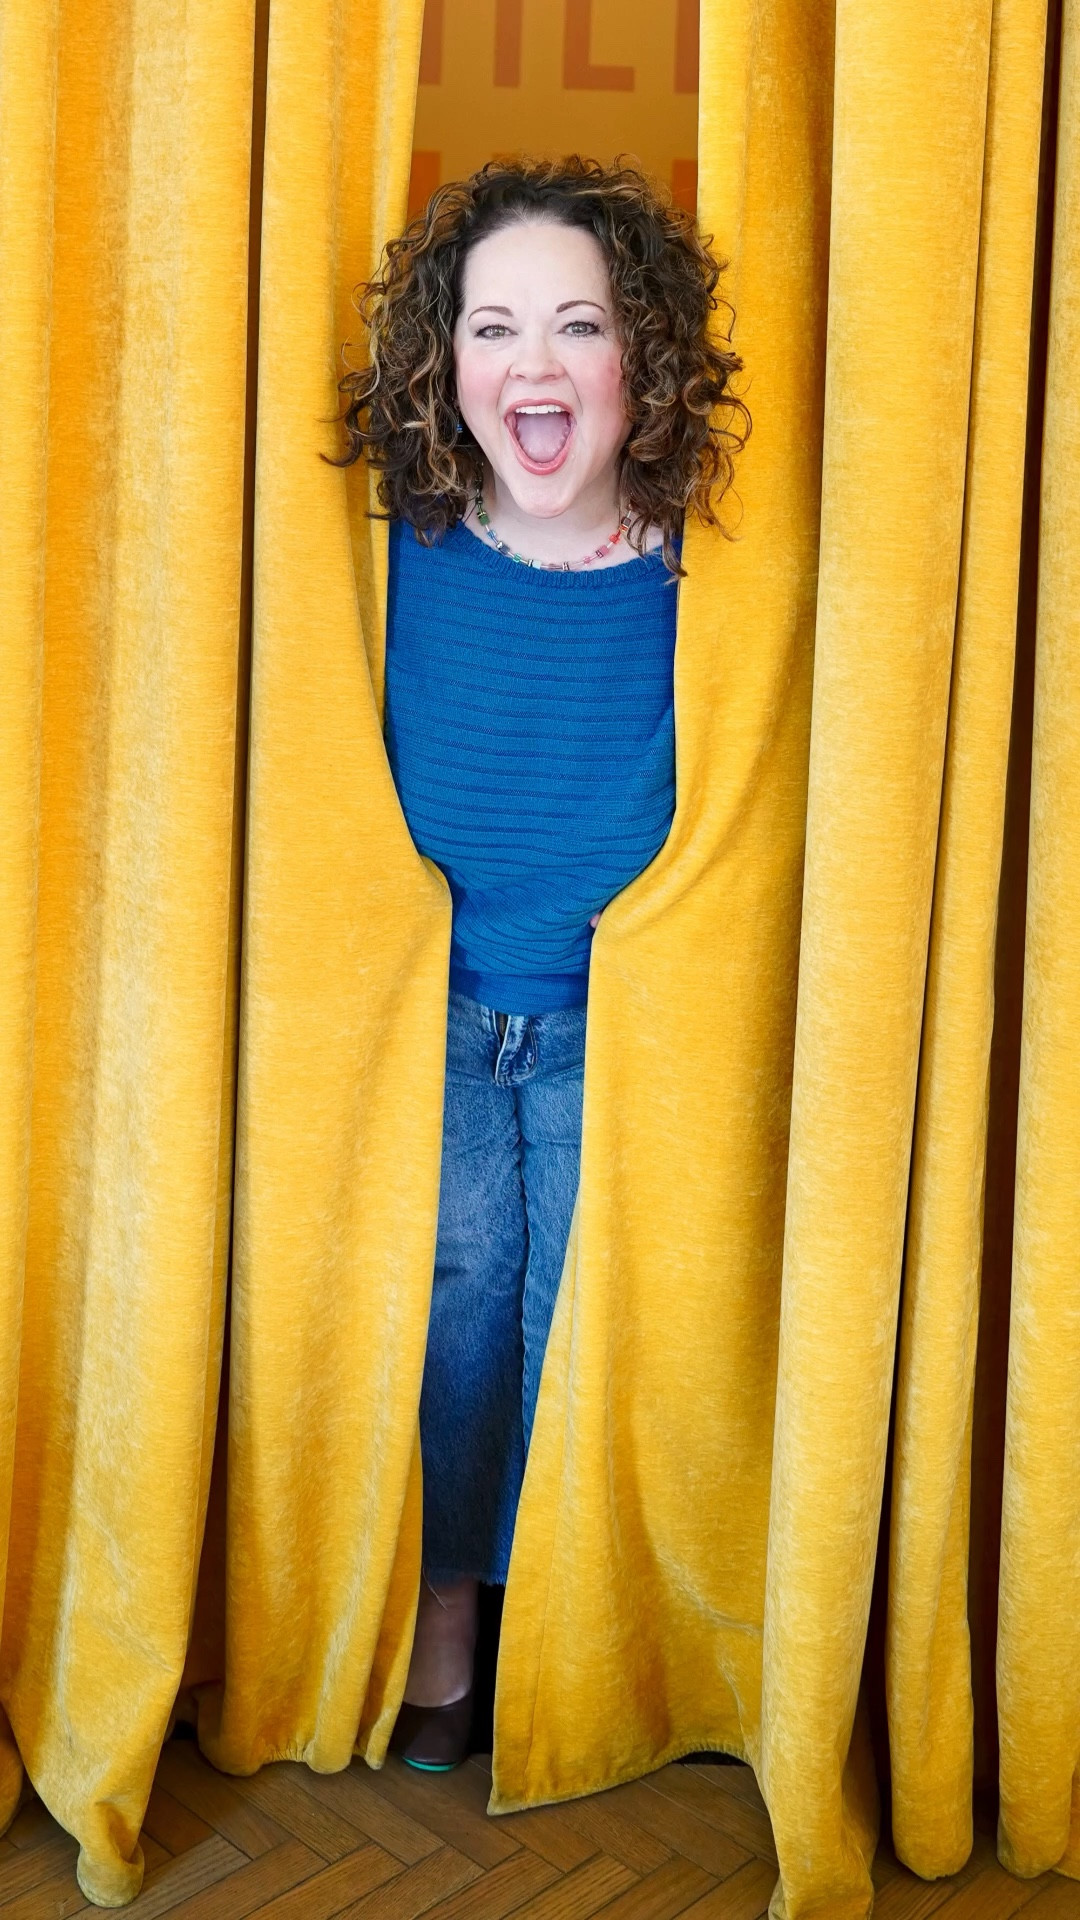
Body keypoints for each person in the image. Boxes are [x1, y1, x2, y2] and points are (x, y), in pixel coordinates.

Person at [329, 155, 748, 1769]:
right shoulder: (399, 552)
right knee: (452, 1323)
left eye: (580, 323)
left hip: (621, 1030)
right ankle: (447, 1614)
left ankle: (568, 1626)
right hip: (433, 1021)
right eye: (493, 328)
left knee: (586, 1324)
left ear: (644, 353)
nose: (536, 363)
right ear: (446, 364)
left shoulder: (708, 574)